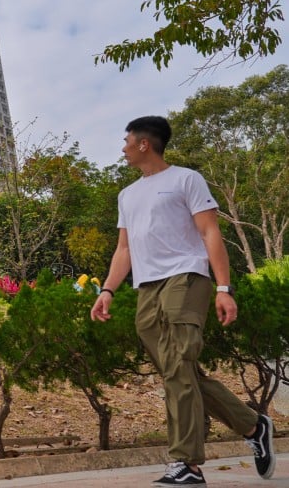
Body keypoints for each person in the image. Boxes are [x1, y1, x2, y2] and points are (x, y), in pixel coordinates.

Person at [91, 116, 276, 486]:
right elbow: (124, 249)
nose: (123, 146)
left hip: (186, 277)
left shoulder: (185, 179)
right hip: (147, 288)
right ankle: (253, 426)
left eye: (126, 140)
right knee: (180, 372)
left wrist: (224, 289)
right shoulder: (127, 195)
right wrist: (107, 290)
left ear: (145, 143)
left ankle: (187, 464)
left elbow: (210, 232)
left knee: (178, 368)